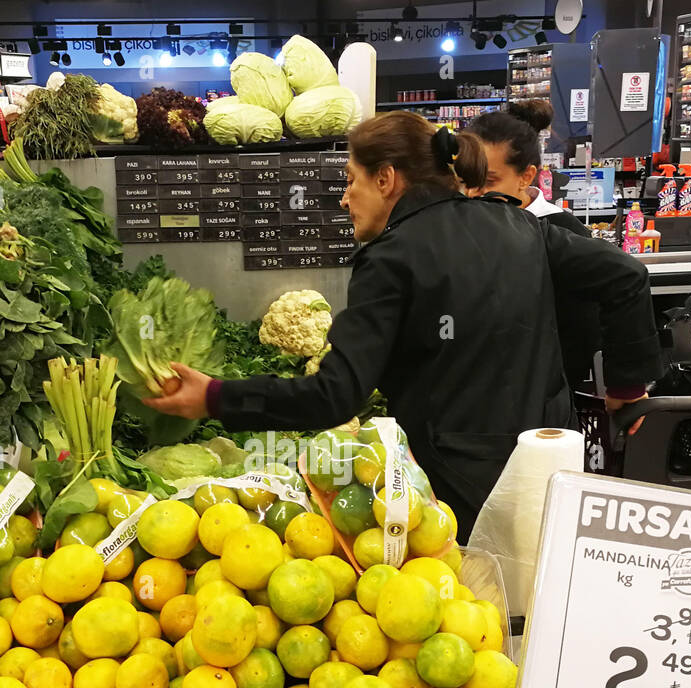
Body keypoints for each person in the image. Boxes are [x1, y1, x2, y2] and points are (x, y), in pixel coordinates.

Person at [144, 111, 661, 540]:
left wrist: (216, 397)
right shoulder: (524, 227)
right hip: (546, 471)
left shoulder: (390, 259)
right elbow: (628, 275)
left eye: (350, 181)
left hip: (455, 495)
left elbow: (334, 395)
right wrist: (626, 388)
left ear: (387, 178)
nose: (345, 199)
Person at [467, 101, 602, 387]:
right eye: (466, 179)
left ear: (526, 176)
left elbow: (582, 332)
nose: (473, 192)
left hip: (543, 395)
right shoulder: (462, 224)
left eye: (489, 180)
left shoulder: (562, 229)